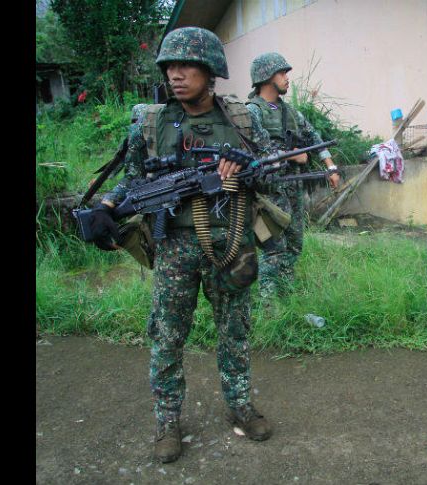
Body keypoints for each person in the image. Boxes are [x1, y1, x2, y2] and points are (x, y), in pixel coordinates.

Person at [89, 26, 274, 464]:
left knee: (234, 332)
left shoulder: (243, 118)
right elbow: (133, 176)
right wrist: (107, 204)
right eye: (170, 65)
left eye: (186, 65)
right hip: (174, 247)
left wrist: (245, 174)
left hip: (230, 242)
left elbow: (270, 169)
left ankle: (241, 405)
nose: (176, 74)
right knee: (168, 335)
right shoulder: (152, 122)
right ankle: (167, 420)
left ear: (210, 71)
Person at [245, 52, 340, 299]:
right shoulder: (252, 112)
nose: (287, 78)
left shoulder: (289, 112)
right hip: (267, 192)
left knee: (295, 244)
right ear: (266, 76)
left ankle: (287, 299)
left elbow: (313, 137)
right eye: (282, 73)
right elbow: (250, 151)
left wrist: (330, 165)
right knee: (273, 248)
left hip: (292, 187)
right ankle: (269, 308)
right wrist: (291, 156)